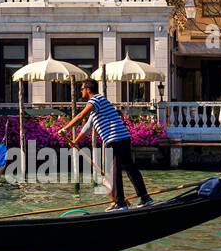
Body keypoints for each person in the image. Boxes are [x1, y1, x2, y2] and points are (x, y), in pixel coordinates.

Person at [63, 79, 153, 211]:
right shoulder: (97, 108)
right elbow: (87, 127)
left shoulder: (95, 100)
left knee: (114, 172)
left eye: (82, 89)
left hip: (115, 139)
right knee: (130, 168)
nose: (80, 91)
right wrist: (76, 141)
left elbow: (80, 116)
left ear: (88, 89)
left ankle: (120, 203)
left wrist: (64, 129)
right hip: (123, 138)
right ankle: (145, 198)